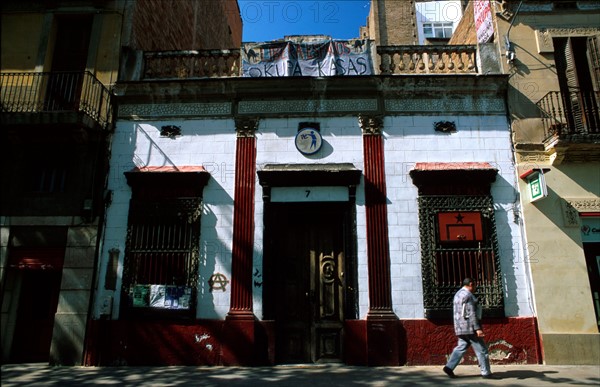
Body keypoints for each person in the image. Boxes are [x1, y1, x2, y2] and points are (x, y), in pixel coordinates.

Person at [442, 278, 499, 379]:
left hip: (460, 327)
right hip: (470, 327)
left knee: (461, 347)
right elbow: (471, 312)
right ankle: (486, 373)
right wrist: (477, 328)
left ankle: (449, 367)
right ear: (471, 284)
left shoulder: (458, 294)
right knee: (482, 350)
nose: (476, 288)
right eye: (475, 285)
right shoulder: (468, 295)